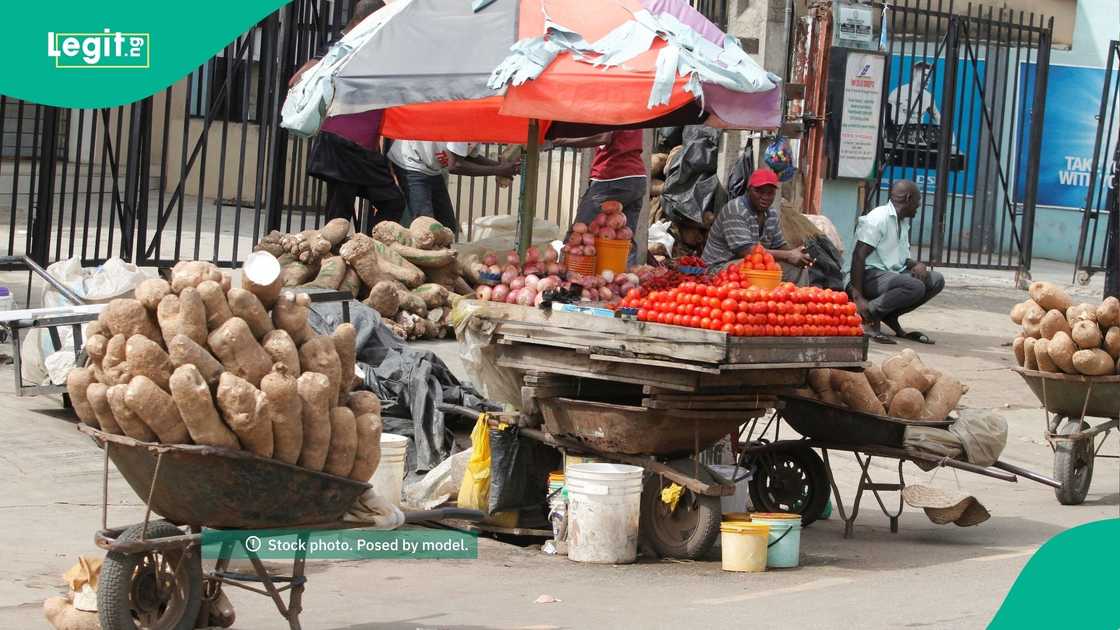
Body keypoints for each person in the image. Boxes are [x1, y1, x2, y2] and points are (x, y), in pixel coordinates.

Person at [289, 0, 406, 226]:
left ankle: (368, 244)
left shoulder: (369, 48)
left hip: (360, 147)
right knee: (342, 213)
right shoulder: (341, 47)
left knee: (391, 202)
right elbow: (298, 81)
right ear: (370, 21)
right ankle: (346, 246)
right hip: (342, 142)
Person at [848, 179, 944, 345]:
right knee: (914, 286)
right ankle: (867, 315)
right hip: (867, 274)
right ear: (908, 198)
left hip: (889, 274)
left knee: (935, 280)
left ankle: (889, 315)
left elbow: (902, 258)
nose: (919, 206)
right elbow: (858, 256)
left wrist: (917, 265)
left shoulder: (902, 222)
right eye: (918, 201)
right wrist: (858, 298)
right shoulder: (879, 217)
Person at [387, 141, 519, 235]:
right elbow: (455, 165)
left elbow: (469, 157)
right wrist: (499, 169)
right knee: (426, 226)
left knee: (448, 225)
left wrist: (501, 168)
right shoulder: (466, 123)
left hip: (431, 167)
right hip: (411, 161)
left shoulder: (478, 128)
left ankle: (441, 261)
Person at [701, 168, 812, 275]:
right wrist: (788, 255)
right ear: (749, 190)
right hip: (717, 268)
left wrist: (798, 254)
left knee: (797, 267)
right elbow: (746, 251)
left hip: (747, 264)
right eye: (759, 191)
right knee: (757, 265)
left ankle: (801, 289)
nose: (765, 197)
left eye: (770, 193)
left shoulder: (771, 214)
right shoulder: (736, 210)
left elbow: (779, 245)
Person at [553, 130, 648, 241]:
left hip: (612, 177)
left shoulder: (613, 117)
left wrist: (559, 141)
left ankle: (571, 253)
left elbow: (603, 137)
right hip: (637, 178)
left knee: (580, 234)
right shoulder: (635, 118)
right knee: (624, 238)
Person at [887, 60, 941, 127]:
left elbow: (938, 118)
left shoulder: (928, 97)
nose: (928, 79)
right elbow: (888, 118)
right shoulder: (897, 93)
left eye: (930, 77)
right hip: (899, 131)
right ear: (915, 74)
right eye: (925, 75)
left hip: (917, 132)